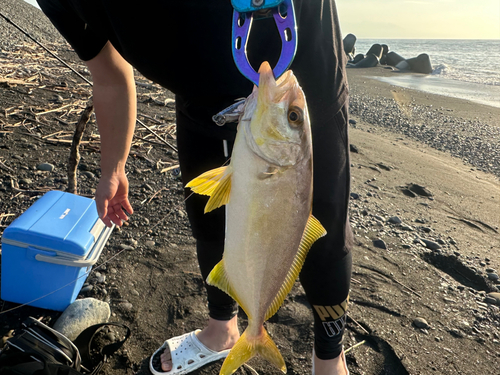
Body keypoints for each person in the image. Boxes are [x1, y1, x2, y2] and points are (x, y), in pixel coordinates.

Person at [36, 1, 353, 374]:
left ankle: (330, 359)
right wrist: (113, 166)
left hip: (296, 75)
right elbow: (108, 73)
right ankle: (224, 328)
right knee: (209, 215)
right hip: (200, 98)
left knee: (322, 226)